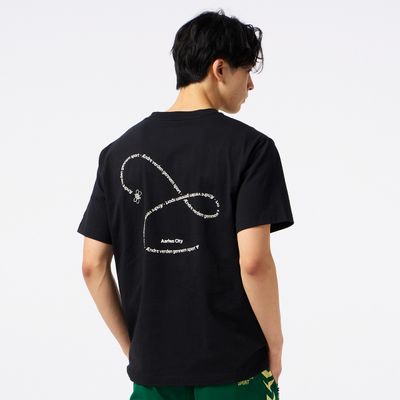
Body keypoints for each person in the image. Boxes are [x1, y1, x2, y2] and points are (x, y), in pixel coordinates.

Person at [77, 8, 294, 400]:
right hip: (234, 371)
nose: (250, 86)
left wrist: (134, 349)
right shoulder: (252, 149)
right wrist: (275, 345)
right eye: (247, 72)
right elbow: (254, 262)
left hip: (153, 377)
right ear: (220, 69)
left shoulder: (116, 153)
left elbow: (92, 265)